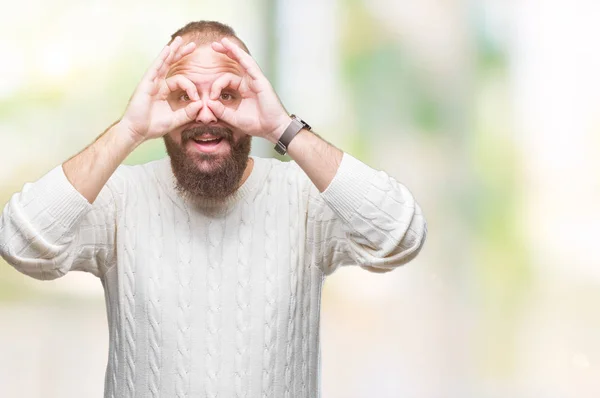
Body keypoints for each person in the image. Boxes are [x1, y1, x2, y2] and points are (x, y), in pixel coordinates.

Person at [0, 20, 427, 398]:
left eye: (228, 94)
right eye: (183, 95)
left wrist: (283, 127)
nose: (206, 112)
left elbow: (401, 235)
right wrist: (128, 130)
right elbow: (20, 242)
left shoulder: (301, 198)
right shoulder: (122, 199)